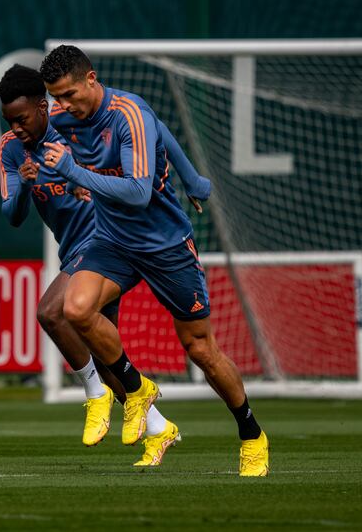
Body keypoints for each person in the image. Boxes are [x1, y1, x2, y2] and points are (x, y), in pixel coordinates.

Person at [39, 45, 269, 476]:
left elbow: (139, 192)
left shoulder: (128, 115)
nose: (62, 106)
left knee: (200, 348)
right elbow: (162, 132)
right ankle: (137, 389)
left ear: (92, 78)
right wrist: (192, 177)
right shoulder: (64, 118)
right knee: (75, 308)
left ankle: (251, 432)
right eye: (56, 98)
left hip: (165, 245)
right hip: (112, 241)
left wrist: (74, 174)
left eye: (69, 94)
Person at [0, 64, 179, 464]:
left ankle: (95, 397)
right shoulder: (11, 148)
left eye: (23, 118)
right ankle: (160, 427)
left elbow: (148, 132)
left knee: (51, 311)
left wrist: (189, 178)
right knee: (108, 360)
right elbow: (11, 214)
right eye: (10, 120)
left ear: (43, 108)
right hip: (74, 251)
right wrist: (26, 186)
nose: (18, 127)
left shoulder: (75, 129)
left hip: (103, 242)